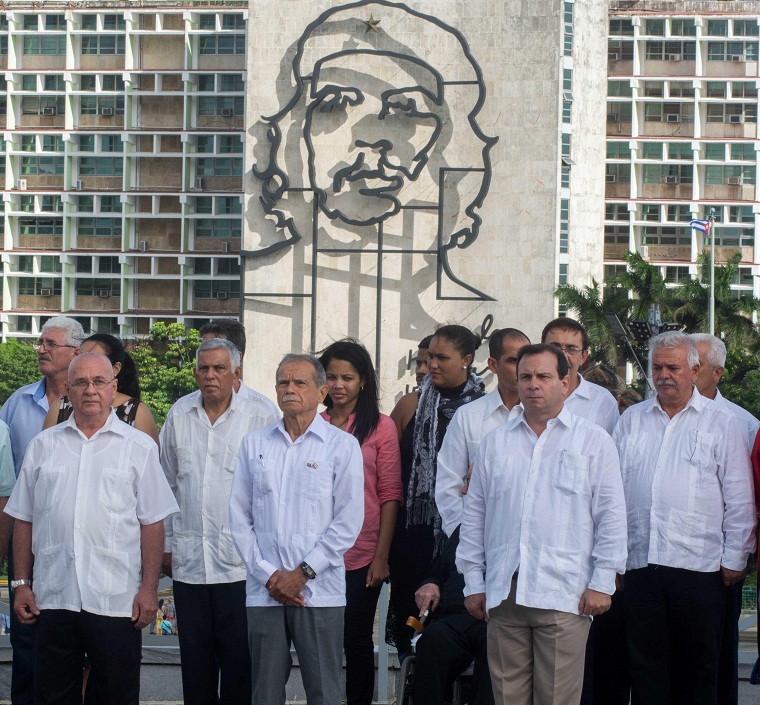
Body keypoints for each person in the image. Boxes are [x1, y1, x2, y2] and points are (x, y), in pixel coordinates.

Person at [457, 343, 627, 705]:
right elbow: (474, 519)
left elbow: (611, 517)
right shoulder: (494, 443)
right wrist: (473, 581)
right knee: (507, 699)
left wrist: (601, 583)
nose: (534, 384)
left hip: (565, 594)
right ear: (516, 383)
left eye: (544, 376)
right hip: (505, 592)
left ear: (565, 384)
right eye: (526, 377)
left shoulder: (593, 441)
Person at [4, 352, 178, 705]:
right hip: (53, 597)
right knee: (52, 696)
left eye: (99, 382)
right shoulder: (43, 447)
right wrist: (21, 584)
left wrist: (148, 590)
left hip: (116, 601)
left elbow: (152, 523)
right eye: (81, 382)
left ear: (114, 389)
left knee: (116, 695)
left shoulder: (139, 448)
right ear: (67, 390)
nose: (90, 390)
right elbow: (23, 518)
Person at [614, 331, 755, 705]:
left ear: (694, 370)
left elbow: (739, 498)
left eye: (673, 367)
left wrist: (734, 558)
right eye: (657, 367)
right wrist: (613, 558)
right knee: (645, 670)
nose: (663, 375)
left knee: (698, 671)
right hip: (640, 567)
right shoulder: (631, 420)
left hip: (700, 569)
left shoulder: (721, 422)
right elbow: (611, 496)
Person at [229, 353, 364, 705]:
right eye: (282, 382)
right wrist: (269, 575)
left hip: (319, 591)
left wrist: (303, 573)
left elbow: (348, 520)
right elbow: (238, 518)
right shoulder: (254, 444)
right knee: (264, 693)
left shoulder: (342, 446)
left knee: (325, 691)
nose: (289, 389)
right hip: (265, 592)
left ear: (322, 392)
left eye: (299, 382)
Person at [160, 338, 277, 705]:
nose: (210, 376)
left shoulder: (262, 415)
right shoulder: (179, 413)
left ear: (236, 372)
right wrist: (165, 544)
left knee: (241, 665)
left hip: (242, 565)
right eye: (204, 368)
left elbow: (274, 492)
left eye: (219, 368)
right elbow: (166, 483)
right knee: (195, 666)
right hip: (190, 561)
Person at [0, 315, 84, 705]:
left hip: (72, 541)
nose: (41, 349)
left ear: (75, 352)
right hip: (24, 539)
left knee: (71, 644)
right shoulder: (16, 403)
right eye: (41, 342)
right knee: (26, 639)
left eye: (51, 343)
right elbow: (5, 486)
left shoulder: (90, 404)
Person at [388, 324, 485, 659]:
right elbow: (388, 472)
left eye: (442, 358)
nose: (432, 366)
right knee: (410, 623)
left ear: (467, 360)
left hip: (462, 538)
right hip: (412, 535)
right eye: (428, 358)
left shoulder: (485, 412)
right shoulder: (410, 405)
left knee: (451, 628)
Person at [317, 340, 402, 705]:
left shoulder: (380, 428)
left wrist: (381, 557)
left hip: (361, 553)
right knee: (320, 642)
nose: (338, 385)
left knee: (355, 639)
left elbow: (390, 494)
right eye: (331, 377)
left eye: (347, 377)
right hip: (315, 554)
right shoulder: (310, 423)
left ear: (363, 381)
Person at [691, 333, 759, 705]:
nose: (688, 370)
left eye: (696, 365)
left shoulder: (742, 423)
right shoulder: (648, 416)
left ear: (717, 372)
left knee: (717, 656)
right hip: (664, 563)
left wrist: (736, 557)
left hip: (720, 564)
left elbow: (745, 497)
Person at [436, 327, 530, 537]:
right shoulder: (468, 416)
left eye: (526, 359)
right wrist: (466, 535)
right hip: (475, 542)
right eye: (514, 360)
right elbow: (448, 484)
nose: (523, 367)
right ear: (493, 365)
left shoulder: (543, 418)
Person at [413, 510, 493, 705]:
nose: (464, 490)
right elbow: (438, 571)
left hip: (493, 617)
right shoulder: (464, 528)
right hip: (452, 617)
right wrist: (430, 584)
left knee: (496, 643)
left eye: (469, 483)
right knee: (431, 639)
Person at [42, 333, 159, 445]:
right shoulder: (60, 407)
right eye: (81, 357)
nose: (86, 363)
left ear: (116, 368)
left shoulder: (136, 412)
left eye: (95, 358)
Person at [541, 318, 619, 434]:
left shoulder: (603, 402)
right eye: (555, 347)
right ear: (541, 350)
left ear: (583, 356)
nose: (563, 355)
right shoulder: (527, 395)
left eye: (571, 349)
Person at [199, 318, 279, 416]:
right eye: (204, 349)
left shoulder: (263, 413)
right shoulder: (180, 410)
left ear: (237, 358)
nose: (209, 375)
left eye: (215, 348)